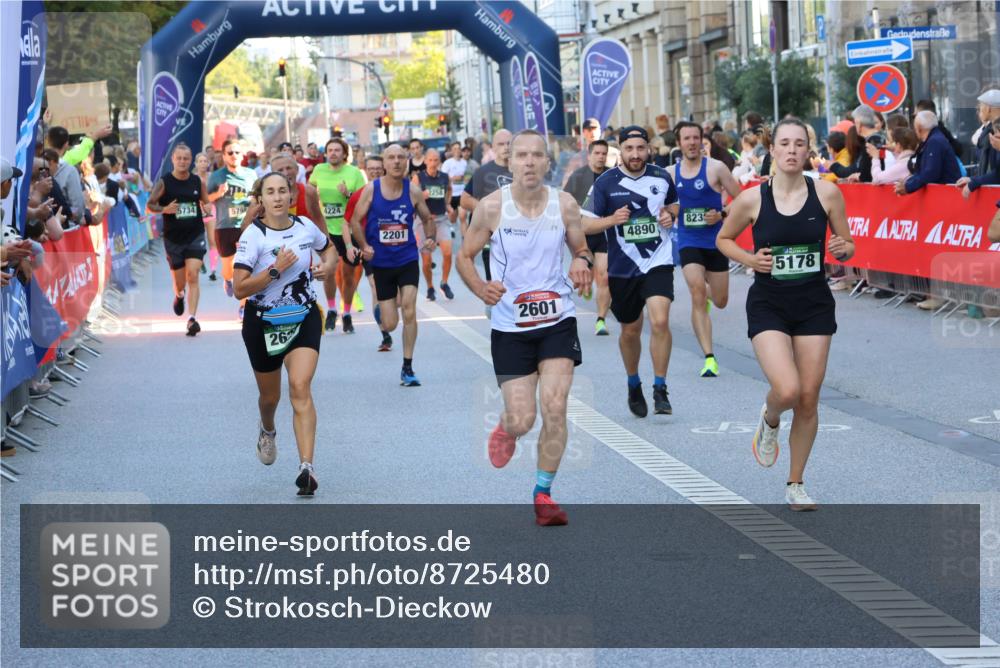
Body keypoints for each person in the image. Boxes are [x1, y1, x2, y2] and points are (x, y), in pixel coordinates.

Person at [716, 117, 855, 511]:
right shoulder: (752, 199)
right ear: (771, 151)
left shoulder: (826, 193)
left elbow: (846, 244)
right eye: (785, 144)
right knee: (788, 390)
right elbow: (723, 239)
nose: (792, 150)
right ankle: (770, 417)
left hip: (813, 304)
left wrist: (845, 250)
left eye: (799, 144)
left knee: (809, 398)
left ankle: (796, 483)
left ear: (807, 150)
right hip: (769, 304)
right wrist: (748, 258)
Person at [455, 129, 592, 526]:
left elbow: (579, 245)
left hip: (557, 320)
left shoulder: (564, 205)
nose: (529, 162)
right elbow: (465, 255)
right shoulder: (492, 208)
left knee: (555, 406)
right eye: (522, 156)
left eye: (537, 156)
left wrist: (581, 259)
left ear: (548, 163)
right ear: (509, 162)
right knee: (523, 419)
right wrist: (481, 287)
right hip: (511, 325)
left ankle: (543, 493)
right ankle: (506, 427)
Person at [233, 172, 337, 496]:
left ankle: (307, 467)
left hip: (303, 316)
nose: (278, 197)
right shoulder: (253, 236)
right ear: (260, 199)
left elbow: (329, 248)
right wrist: (275, 269)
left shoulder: (305, 227)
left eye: (283, 191)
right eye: (270, 192)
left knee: (299, 386)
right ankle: (267, 427)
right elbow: (239, 288)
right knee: (271, 397)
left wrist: (326, 266)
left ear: (291, 195)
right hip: (263, 322)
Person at [582, 126, 679, 416]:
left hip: (657, 261)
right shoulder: (605, 183)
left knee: (660, 321)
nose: (635, 154)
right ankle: (633, 382)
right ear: (620, 150)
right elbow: (585, 225)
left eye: (640, 148)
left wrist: (669, 214)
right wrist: (612, 219)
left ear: (648, 148)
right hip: (623, 267)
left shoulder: (662, 176)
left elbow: (674, 204)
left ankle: (660, 387)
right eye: (629, 149)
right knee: (630, 330)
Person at [348, 143, 436, 386]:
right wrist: (364, 245)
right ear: (384, 163)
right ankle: (383, 315)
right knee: (390, 323)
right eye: (391, 158)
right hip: (382, 263)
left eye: (401, 157)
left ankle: (407, 367)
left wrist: (430, 238)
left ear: (406, 161)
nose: (396, 162)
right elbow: (355, 221)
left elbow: (428, 218)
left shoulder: (413, 190)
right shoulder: (371, 190)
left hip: (407, 259)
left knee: (409, 308)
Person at [670, 121, 742, 377]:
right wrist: (667, 215)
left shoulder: (716, 168)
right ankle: (709, 358)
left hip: (716, 240)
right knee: (697, 290)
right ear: (678, 143)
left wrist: (722, 213)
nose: (691, 142)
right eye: (686, 138)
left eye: (695, 138)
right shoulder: (671, 173)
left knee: (720, 301)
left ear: (702, 140)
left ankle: (710, 296)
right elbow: (662, 206)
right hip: (688, 240)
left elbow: (741, 199)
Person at [146, 144, 212, 335]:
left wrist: (207, 208)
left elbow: (206, 201)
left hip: (195, 234)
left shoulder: (197, 181)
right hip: (173, 238)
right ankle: (179, 295)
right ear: (173, 159)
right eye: (179, 158)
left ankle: (192, 319)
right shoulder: (165, 182)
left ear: (190, 161)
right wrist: (165, 209)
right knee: (180, 281)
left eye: (186, 158)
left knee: (193, 274)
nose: (183, 162)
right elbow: (150, 205)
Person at [310, 137, 366, 333]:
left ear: (344, 154)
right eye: (330, 150)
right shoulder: (319, 171)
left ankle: (347, 312)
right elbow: (310, 194)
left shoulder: (354, 173)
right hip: (327, 230)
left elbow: (363, 201)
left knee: (349, 276)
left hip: (349, 230)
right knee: (329, 270)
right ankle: (332, 308)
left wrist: (348, 195)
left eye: (337, 150)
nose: (333, 153)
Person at [344, 156, 394, 351]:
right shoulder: (359, 194)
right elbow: (346, 222)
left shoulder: (395, 191)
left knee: (393, 294)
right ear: (366, 170)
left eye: (378, 168)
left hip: (394, 248)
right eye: (371, 168)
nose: (374, 171)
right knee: (375, 286)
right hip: (369, 248)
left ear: (384, 169)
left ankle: (389, 313)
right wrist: (349, 246)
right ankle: (385, 334)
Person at [564, 139, 611, 335]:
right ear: (590, 155)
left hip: (604, 231)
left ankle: (601, 320)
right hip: (582, 234)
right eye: (597, 153)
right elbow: (565, 202)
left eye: (603, 153)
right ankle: (588, 280)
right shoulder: (578, 175)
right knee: (587, 274)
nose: (600, 157)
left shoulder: (611, 175)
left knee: (605, 276)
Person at [208, 139, 257, 317]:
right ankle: (228, 280)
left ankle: (244, 306)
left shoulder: (251, 175)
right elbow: (205, 200)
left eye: (237, 152)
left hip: (247, 225)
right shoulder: (217, 176)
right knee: (229, 266)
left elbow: (259, 196)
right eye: (230, 153)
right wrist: (218, 194)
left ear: (242, 154)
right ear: (223, 156)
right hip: (225, 226)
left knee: (245, 267)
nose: (234, 156)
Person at [461, 129, 513, 300]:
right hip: (490, 237)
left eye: (509, 143)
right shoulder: (483, 172)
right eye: (501, 144)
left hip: (518, 235)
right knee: (496, 282)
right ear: (493, 148)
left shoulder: (522, 171)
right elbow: (465, 200)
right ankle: (495, 305)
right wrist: (487, 209)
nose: (506, 147)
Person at [414, 149, 455, 300]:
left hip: (440, 219)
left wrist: (448, 204)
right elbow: (411, 197)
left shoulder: (444, 177)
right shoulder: (418, 178)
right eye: (430, 160)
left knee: (448, 252)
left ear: (439, 162)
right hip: (424, 221)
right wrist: (420, 196)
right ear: (425, 161)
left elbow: (449, 189)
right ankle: (430, 287)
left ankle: (444, 283)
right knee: (426, 259)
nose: (433, 163)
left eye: (436, 160)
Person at [895, 111, 962, 195]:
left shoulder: (935, 141)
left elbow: (931, 172)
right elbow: (920, 168)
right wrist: (908, 182)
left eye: (914, 128)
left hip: (947, 195)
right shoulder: (931, 140)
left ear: (919, 128)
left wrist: (908, 186)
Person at [957, 90, 1000, 199]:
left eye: (980, 106)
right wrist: (973, 179)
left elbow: (998, 173)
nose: (979, 109)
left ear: (988, 108)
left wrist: (974, 182)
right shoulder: (988, 132)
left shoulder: (995, 132)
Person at [193, 152, 219, 280]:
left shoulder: (212, 177)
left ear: (208, 164)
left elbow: (218, 194)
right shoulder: (192, 178)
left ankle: (213, 270)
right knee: (198, 241)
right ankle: (201, 262)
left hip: (210, 210)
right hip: (197, 212)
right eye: (200, 161)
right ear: (196, 164)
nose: (203, 163)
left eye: (205, 161)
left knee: (212, 240)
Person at [441, 141, 468, 234]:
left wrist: (465, 179)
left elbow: (467, 176)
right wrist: (453, 178)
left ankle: (465, 239)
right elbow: (443, 177)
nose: (457, 150)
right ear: (452, 151)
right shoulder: (447, 163)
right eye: (455, 149)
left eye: (458, 148)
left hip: (462, 193)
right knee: (452, 217)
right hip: (451, 194)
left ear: (461, 150)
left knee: (463, 216)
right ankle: (452, 226)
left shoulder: (464, 162)